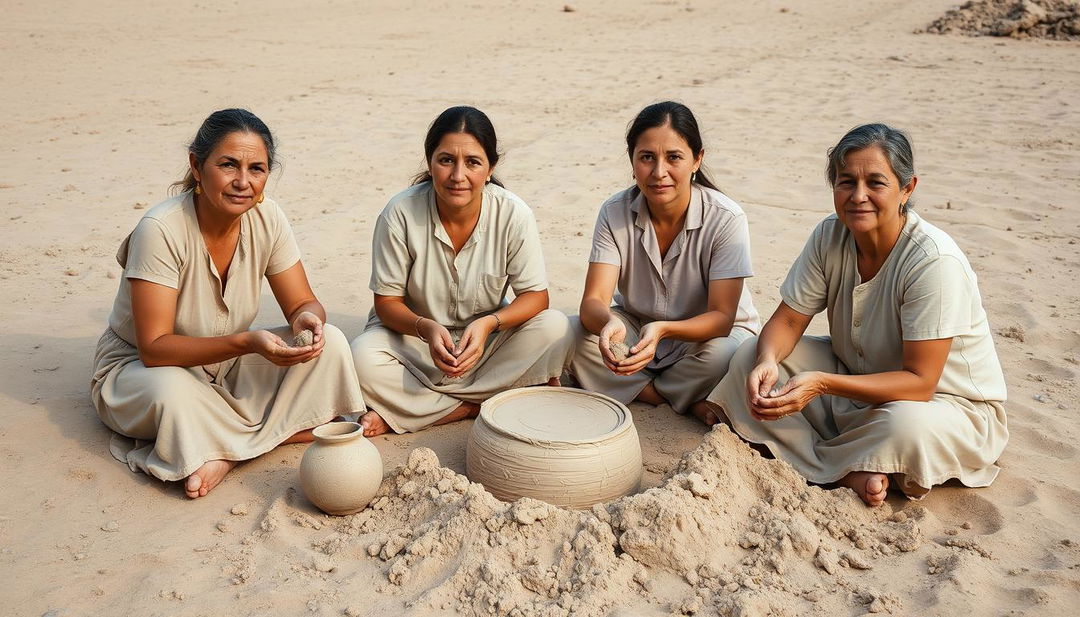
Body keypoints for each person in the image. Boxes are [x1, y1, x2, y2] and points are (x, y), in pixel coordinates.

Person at [707, 123, 1008, 507]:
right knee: (749, 354)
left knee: (905, 426)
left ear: (907, 188)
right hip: (856, 380)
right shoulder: (829, 235)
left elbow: (920, 383)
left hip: (944, 407)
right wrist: (768, 360)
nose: (858, 196)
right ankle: (851, 468)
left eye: (876, 183)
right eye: (846, 181)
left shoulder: (933, 260)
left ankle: (817, 458)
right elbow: (787, 321)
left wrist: (822, 385)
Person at [91, 109, 366, 499]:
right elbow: (154, 349)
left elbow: (303, 301)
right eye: (228, 165)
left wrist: (308, 320)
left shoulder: (268, 216)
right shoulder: (161, 230)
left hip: (225, 362)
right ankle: (277, 434)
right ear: (196, 167)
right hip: (142, 368)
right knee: (173, 393)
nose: (243, 182)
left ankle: (227, 452)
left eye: (257, 169)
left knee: (333, 342)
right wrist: (247, 343)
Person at [350, 106, 573, 437]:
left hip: (486, 344)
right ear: (429, 163)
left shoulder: (513, 214)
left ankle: (420, 411)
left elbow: (535, 298)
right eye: (445, 160)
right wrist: (425, 328)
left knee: (557, 327)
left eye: (472, 162)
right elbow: (387, 303)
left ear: (490, 167)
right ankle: (483, 402)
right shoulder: (399, 213)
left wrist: (488, 325)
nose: (458, 175)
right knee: (361, 357)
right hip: (414, 341)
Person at [569, 101, 761, 425]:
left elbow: (722, 319)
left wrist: (663, 331)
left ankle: (643, 390)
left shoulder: (726, 218)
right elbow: (593, 302)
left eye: (673, 157)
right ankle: (681, 399)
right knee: (572, 335)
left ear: (697, 159)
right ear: (632, 162)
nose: (659, 172)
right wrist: (609, 323)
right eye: (647, 158)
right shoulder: (614, 211)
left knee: (728, 356)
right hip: (637, 328)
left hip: (706, 337)